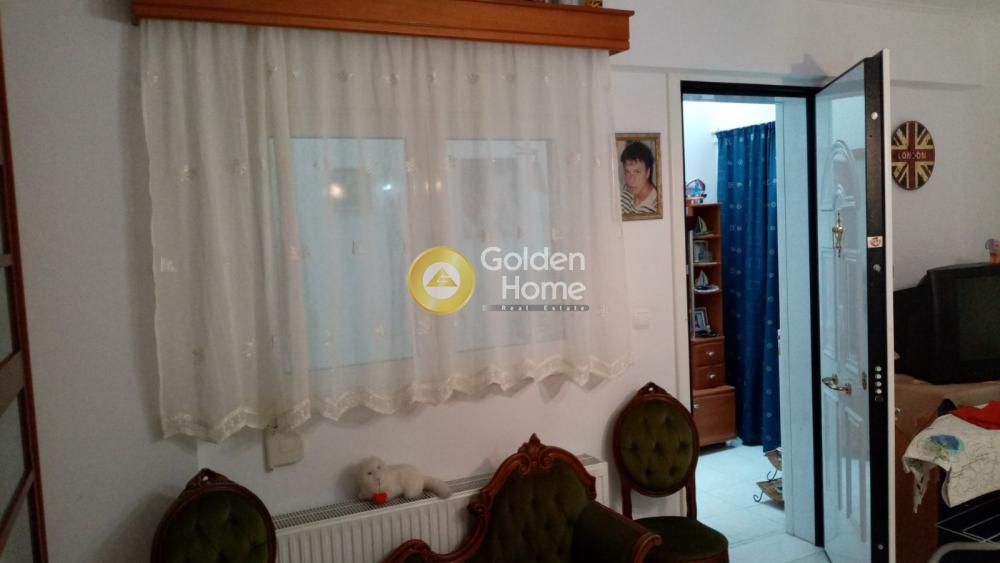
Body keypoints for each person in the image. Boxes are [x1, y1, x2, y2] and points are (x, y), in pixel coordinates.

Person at [619, 141, 658, 216]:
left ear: (648, 172)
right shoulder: (625, 193)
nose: (631, 180)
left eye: (637, 172)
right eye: (627, 172)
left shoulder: (656, 207)